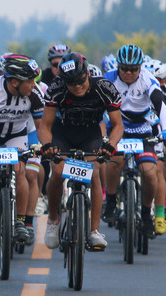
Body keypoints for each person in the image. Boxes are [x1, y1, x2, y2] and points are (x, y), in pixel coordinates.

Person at [38, 52, 122, 252]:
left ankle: (94, 231)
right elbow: (44, 126)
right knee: (58, 172)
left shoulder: (104, 88)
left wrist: (110, 144)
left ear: (87, 73)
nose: (77, 86)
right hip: (63, 133)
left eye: (80, 80)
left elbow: (118, 125)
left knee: (93, 174)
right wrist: (47, 145)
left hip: (90, 134)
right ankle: (52, 221)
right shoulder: (56, 88)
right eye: (71, 83)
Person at [0, 54, 44, 245]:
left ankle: (20, 221)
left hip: (16, 136)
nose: (33, 84)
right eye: (29, 81)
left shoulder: (34, 94)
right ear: (14, 82)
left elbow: (41, 126)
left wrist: (41, 146)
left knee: (20, 170)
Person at [102, 43, 166, 236]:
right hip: (119, 128)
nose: (128, 73)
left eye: (133, 69)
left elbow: (161, 106)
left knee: (149, 173)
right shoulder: (108, 79)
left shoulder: (147, 79)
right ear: (118, 66)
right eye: (124, 68)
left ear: (140, 68)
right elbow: (98, 107)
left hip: (143, 129)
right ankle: (110, 201)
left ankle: (145, 213)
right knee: (114, 161)